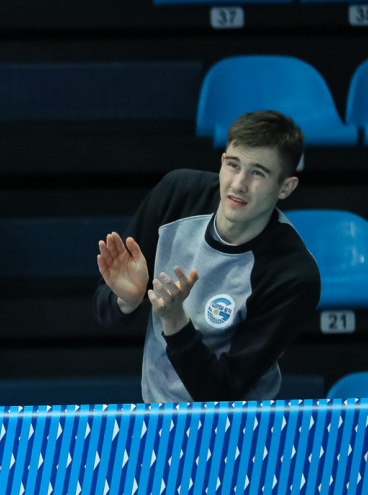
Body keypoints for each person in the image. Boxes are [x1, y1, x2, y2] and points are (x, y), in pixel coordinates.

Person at [95, 110, 321, 403]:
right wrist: (126, 300)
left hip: (240, 422)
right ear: (222, 162)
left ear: (286, 187)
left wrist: (175, 320)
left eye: (258, 173)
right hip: (157, 412)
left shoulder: (293, 275)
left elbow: (221, 393)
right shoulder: (176, 196)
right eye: (233, 165)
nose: (238, 184)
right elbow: (104, 310)